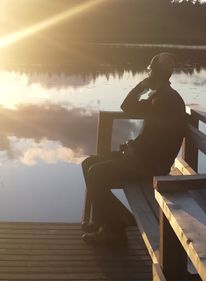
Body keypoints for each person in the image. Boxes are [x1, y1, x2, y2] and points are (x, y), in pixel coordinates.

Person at [80, 52, 187, 246]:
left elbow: (158, 140)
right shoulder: (161, 97)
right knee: (88, 163)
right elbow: (127, 107)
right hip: (146, 159)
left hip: (151, 165)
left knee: (96, 173)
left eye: (149, 73)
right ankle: (106, 221)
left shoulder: (166, 101)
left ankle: (114, 232)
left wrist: (133, 149)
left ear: (153, 74)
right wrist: (141, 87)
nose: (147, 77)